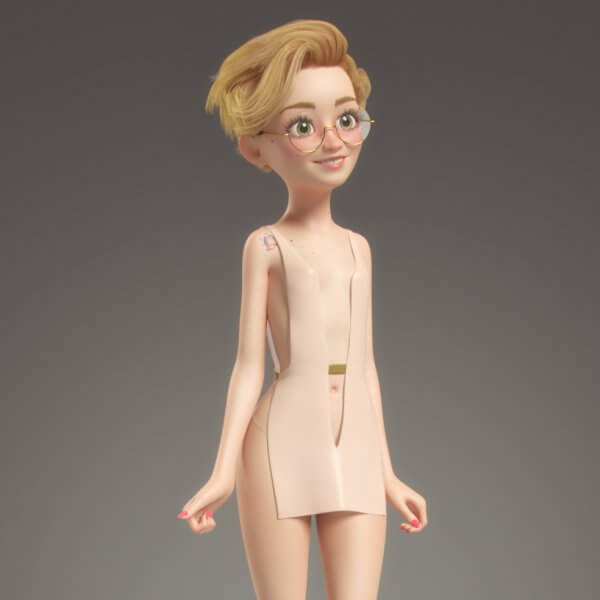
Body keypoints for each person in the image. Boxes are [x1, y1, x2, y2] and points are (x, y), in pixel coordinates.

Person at [177, 19, 428, 599]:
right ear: (255, 147)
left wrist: (388, 472)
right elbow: (248, 365)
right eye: (303, 127)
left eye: (347, 119)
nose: (333, 141)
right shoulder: (265, 246)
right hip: (279, 443)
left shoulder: (359, 248)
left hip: (356, 442)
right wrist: (222, 471)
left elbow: (365, 367)